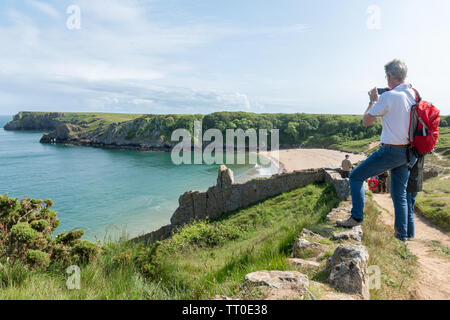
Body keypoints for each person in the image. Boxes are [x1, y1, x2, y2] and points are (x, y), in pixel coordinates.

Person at [337, 59, 417, 242]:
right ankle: (401, 237)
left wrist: (372, 101)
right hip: (409, 152)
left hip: (391, 151)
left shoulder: (389, 97)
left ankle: (356, 217)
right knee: (399, 195)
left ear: (388, 77)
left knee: (356, 176)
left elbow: (367, 120)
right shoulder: (412, 93)